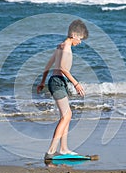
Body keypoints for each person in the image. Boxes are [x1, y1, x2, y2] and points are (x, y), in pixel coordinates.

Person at [37, 19, 89, 159]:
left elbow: (47, 67)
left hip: (56, 81)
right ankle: (51, 151)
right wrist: (76, 84)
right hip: (58, 82)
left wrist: (42, 83)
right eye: (80, 38)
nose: (80, 42)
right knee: (67, 116)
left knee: (66, 116)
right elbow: (63, 69)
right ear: (74, 34)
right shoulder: (66, 47)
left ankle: (64, 148)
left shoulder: (60, 46)